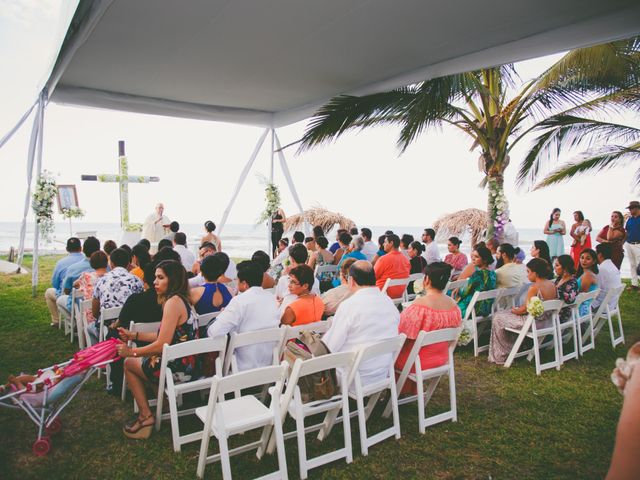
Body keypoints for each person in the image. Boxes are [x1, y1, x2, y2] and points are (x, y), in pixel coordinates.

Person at [116, 260, 198, 439]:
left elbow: (162, 344)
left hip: (176, 368)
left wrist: (132, 352)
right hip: (189, 364)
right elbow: (167, 335)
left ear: (173, 280)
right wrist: (134, 336)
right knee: (146, 362)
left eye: (160, 278)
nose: (155, 282)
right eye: (155, 277)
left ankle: (146, 417)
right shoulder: (183, 299)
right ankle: (167, 404)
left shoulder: (172, 303)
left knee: (129, 364)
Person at [322, 261, 400, 386]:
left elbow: (329, 347)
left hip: (353, 376)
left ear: (351, 280)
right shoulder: (389, 302)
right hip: (381, 373)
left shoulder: (349, 305)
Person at [395, 262, 462, 393]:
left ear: (427, 279)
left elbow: (401, 334)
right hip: (441, 359)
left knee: (389, 354)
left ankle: (394, 393)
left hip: (416, 362)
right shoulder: (454, 306)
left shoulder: (420, 305)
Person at [207, 261, 280, 371]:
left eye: (237, 279)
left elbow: (214, 332)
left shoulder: (239, 301)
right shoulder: (271, 299)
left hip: (241, 368)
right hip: (269, 365)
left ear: (244, 283)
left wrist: (220, 316)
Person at [488, 258, 557, 364]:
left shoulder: (534, 288)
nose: (527, 275)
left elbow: (524, 309)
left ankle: (502, 353)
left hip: (532, 323)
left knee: (498, 317)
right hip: (546, 322)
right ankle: (514, 347)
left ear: (536, 273)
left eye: (528, 272)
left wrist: (514, 310)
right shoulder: (552, 285)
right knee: (503, 315)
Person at [89, 248, 144, 344]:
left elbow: (94, 312)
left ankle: (99, 352)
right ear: (128, 264)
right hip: (130, 326)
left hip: (107, 326)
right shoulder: (137, 280)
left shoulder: (102, 280)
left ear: (111, 264)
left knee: (90, 328)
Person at [44, 237, 84, 326]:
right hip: (86, 296)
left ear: (67, 249)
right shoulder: (88, 261)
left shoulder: (60, 263)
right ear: (81, 248)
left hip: (68, 295)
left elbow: (55, 283)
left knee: (48, 292)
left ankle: (56, 320)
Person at [59, 236, 101, 314]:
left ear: (83, 250)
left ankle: (74, 323)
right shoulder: (106, 268)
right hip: (101, 305)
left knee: (60, 300)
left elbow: (67, 290)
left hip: (79, 306)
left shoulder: (72, 268)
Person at [455, 245, 496, 318]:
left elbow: (465, 292)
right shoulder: (492, 274)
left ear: (485, 260)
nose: (473, 259)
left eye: (476, 257)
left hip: (473, 308)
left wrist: (458, 291)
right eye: (473, 256)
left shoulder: (478, 274)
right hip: (486, 308)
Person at [276, 243, 320, 309]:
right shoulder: (315, 280)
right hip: (311, 311)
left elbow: (278, 298)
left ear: (292, 260)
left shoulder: (285, 279)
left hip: (291, 312)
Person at [73, 250, 109, 325]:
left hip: (92, 316)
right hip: (109, 316)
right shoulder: (112, 277)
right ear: (107, 263)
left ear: (92, 264)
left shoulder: (86, 277)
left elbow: (75, 284)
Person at [374, 234, 411, 299]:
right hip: (399, 295)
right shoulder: (406, 260)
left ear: (391, 243)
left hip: (382, 294)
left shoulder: (383, 259)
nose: (383, 244)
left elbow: (373, 277)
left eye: (385, 242)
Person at [592, 243, 622, 312]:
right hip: (612, 304)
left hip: (602, 306)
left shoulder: (602, 269)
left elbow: (595, 290)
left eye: (595, 253)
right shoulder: (612, 266)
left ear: (600, 255)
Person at [553, 255, 579, 324]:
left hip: (562, 314)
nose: (554, 267)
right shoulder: (560, 278)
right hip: (555, 309)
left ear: (565, 268)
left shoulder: (572, 282)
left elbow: (571, 299)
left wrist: (557, 291)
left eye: (557, 265)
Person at [576, 248, 599, 316]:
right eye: (582, 258)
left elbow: (582, 295)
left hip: (581, 310)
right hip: (583, 307)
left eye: (588, 259)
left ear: (594, 261)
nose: (584, 261)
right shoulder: (588, 273)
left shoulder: (587, 275)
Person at [625, 200, 640, 289]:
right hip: (629, 243)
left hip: (638, 244)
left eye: (631, 208)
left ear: (636, 208)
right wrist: (623, 243)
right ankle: (634, 284)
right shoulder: (630, 219)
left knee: (639, 265)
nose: (630, 210)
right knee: (632, 264)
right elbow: (627, 231)